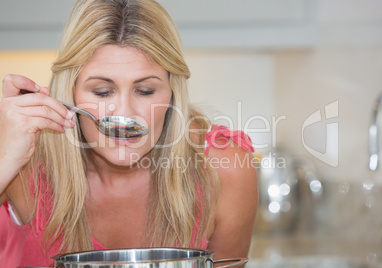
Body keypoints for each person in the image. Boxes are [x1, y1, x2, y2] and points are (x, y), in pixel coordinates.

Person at [0, 0, 257, 267]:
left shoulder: (222, 168)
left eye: (145, 91)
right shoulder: (24, 156)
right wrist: (5, 159)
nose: (124, 112)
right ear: (71, 91)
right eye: (102, 91)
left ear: (172, 93)